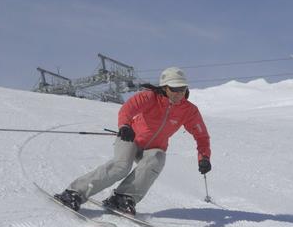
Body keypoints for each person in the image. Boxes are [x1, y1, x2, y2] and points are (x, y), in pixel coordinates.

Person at [55, 67, 212, 214]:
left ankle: (123, 198)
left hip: (154, 148)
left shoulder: (189, 110)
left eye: (182, 88)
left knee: (157, 159)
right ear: (164, 87)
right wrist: (125, 126)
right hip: (131, 138)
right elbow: (128, 109)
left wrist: (204, 157)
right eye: (174, 89)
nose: (179, 93)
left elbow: (201, 136)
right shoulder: (150, 97)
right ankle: (74, 193)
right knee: (121, 166)